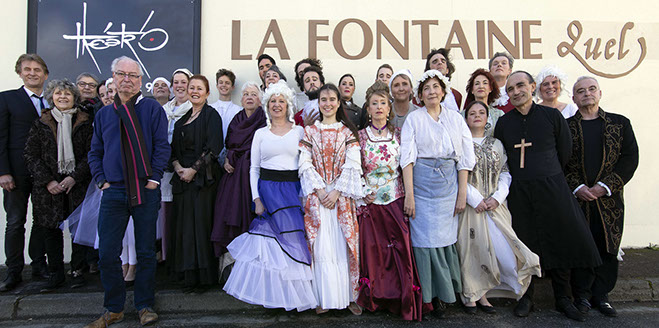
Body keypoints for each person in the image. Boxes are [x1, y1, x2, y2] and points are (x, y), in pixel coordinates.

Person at [493, 71, 602, 322]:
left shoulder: (552, 116)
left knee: (559, 240)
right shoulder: (505, 123)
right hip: (520, 192)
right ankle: (527, 296)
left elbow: (565, 152)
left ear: (532, 87)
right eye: (510, 89)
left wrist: (546, 174)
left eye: (521, 85)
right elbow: (503, 158)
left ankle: (563, 297)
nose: (516, 91)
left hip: (552, 188)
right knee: (525, 242)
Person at [85, 56, 169, 327]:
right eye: (121, 74)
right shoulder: (104, 114)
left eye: (133, 75)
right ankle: (114, 308)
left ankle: (144, 305)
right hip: (114, 191)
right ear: (113, 78)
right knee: (108, 253)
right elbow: (95, 152)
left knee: (145, 252)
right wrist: (101, 181)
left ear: (140, 80)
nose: (127, 79)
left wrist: (154, 179)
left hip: (145, 188)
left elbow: (161, 146)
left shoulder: (152, 110)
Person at [224, 80, 316, 311]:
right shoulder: (260, 134)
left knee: (293, 240)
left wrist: (304, 195)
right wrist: (256, 198)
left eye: (281, 101)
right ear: (267, 105)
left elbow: (305, 164)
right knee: (269, 246)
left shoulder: (300, 131)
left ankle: (293, 298)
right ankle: (272, 298)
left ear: (288, 105)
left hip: (291, 191)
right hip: (267, 190)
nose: (277, 105)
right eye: (273, 101)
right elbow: (254, 168)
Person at [400, 69, 475, 317]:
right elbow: (407, 159)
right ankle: (427, 296)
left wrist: (462, 193)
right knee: (423, 241)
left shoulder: (455, 119)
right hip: (420, 187)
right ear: (420, 95)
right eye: (426, 88)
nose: (431, 92)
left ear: (443, 91)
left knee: (445, 240)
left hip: (448, 187)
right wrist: (409, 195)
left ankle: (445, 296)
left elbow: (464, 158)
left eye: (436, 87)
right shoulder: (414, 119)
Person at [456, 101, 541, 314]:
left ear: (487, 118)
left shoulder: (497, 144)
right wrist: (475, 200)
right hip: (471, 206)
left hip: (496, 205)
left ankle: (494, 291)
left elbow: (505, 171)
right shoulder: (461, 143)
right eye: (472, 113)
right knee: (473, 250)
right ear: (465, 118)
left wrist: (497, 197)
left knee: (504, 249)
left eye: (481, 113)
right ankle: (474, 296)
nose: (477, 116)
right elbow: (458, 173)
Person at [565, 77, 639, 317]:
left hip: (609, 200)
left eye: (591, 89)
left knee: (608, 245)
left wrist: (605, 186)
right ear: (574, 98)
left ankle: (602, 295)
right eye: (580, 91)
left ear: (600, 93)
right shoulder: (566, 127)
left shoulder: (620, 124)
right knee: (581, 245)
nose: (587, 94)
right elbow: (560, 161)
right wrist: (577, 187)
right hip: (578, 198)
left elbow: (629, 158)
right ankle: (582, 296)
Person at [356, 82, 424, 321]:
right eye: (374, 103)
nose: (378, 107)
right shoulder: (360, 137)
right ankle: (376, 299)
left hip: (395, 198)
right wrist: (361, 191)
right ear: (368, 108)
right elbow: (355, 169)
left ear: (389, 107)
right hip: (370, 203)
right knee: (374, 252)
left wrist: (409, 196)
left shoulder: (399, 134)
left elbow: (406, 165)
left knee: (399, 249)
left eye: (382, 103)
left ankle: (401, 299)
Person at [299, 83, 364, 315]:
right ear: (318, 103)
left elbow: (353, 164)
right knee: (321, 247)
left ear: (339, 103)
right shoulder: (309, 132)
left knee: (341, 245)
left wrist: (336, 191)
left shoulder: (347, 132)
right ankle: (322, 298)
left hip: (341, 196)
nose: (327, 103)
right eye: (323, 99)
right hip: (318, 196)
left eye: (331, 99)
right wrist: (319, 190)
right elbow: (304, 163)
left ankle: (347, 296)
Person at [24, 79, 94, 292]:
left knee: (77, 230)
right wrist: (48, 181)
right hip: (48, 189)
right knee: (50, 231)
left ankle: (77, 271)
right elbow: (31, 154)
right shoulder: (41, 122)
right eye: (58, 94)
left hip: (76, 185)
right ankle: (55, 273)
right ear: (51, 97)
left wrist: (74, 177)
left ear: (74, 97)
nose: (63, 97)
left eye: (67, 94)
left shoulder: (84, 121)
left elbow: (91, 154)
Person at [168, 75, 223, 292]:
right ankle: (187, 276)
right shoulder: (182, 119)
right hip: (183, 180)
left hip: (203, 180)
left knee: (200, 227)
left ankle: (203, 278)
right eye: (192, 88)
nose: (195, 91)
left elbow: (214, 148)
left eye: (199, 88)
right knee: (184, 228)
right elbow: (172, 149)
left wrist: (193, 170)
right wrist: (178, 166)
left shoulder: (212, 116)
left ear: (208, 93)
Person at [0, 53, 49, 292]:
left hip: (45, 174)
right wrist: (3, 171)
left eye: (37, 70)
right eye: (27, 69)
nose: (32, 73)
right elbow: (0, 137)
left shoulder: (52, 101)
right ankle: (14, 272)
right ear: (20, 72)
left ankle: (39, 266)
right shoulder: (7, 99)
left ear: (45, 74)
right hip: (16, 172)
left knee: (42, 221)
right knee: (16, 221)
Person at [211, 82, 267, 266]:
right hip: (233, 173)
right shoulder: (236, 119)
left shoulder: (265, 119)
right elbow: (229, 145)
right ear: (241, 99)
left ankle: (252, 264)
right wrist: (227, 159)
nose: (249, 97)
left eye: (253, 94)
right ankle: (230, 262)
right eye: (246, 94)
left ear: (260, 100)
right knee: (225, 211)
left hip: (254, 174)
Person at [159, 68, 193, 262]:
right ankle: (166, 256)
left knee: (181, 217)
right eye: (177, 82)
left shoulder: (194, 109)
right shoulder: (163, 110)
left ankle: (179, 259)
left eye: (184, 82)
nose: (180, 86)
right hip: (165, 170)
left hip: (184, 170)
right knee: (165, 215)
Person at [463, 69, 504, 136]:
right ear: (472, 90)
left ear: (490, 88)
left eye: (485, 83)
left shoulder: (499, 114)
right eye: (477, 83)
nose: (481, 86)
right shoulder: (462, 115)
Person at [210, 68, 242, 144]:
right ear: (217, 86)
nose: (224, 85)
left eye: (227, 83)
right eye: (221, 82)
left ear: (232, 87)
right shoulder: (209, 108)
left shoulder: (239, 111)